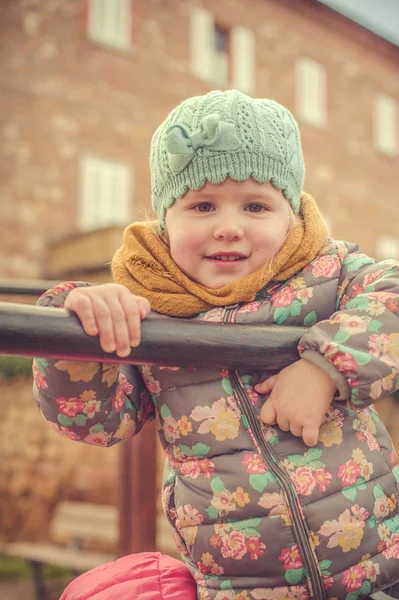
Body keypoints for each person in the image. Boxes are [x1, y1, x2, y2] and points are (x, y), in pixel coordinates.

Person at [33, 90, 399, 600]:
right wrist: (76, 332)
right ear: (166, 221)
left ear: (290, 215)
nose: (228, 227)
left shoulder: (330, 274)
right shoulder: (149, 313)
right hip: (240, 586)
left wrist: (325, 366)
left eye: (256, 205)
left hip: (379, 568)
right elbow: (94, 421)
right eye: (201, 205)